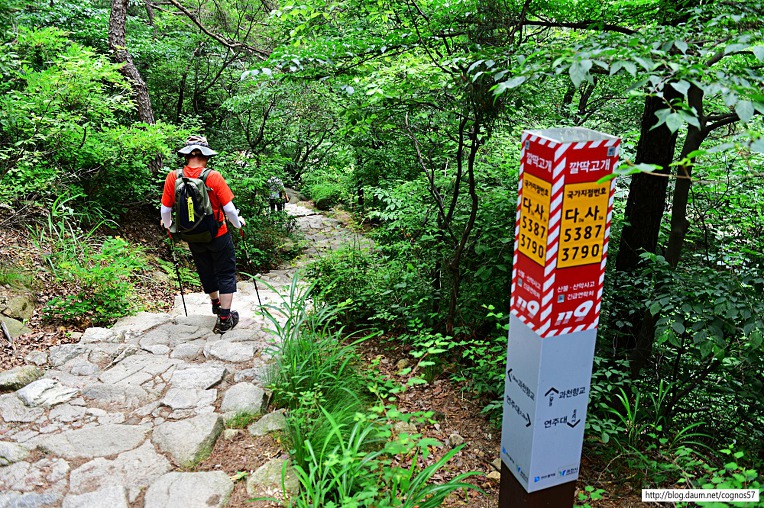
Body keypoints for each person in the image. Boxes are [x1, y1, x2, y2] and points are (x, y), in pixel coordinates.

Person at [160, 135, 245, 333]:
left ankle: (216, 303)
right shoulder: (213, 176)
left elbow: (165, 209)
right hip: (218, 233)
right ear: (205, 156)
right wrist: (238, 224)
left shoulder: (173, 176)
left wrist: (168, 226)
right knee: (225, 272)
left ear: (186, 155)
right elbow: (229, 209)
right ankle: (225, 318)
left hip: (192, 234)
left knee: (205, 269)